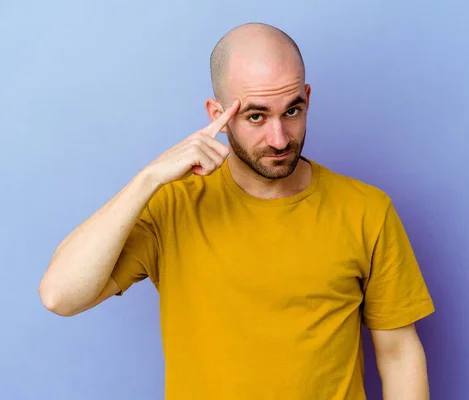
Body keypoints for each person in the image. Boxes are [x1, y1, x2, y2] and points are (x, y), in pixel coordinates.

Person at [39, 22, 435, 400]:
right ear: (218, 115)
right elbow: (61, 295)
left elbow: (399, 354)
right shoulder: (173, 206)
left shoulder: (366, 210)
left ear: (307, 98)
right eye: (256, 116)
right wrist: (148, 179)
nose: (279, 139)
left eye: (292, 111)